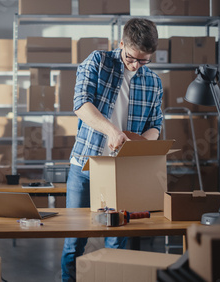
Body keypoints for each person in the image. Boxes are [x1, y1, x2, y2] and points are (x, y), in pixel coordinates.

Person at [61, 18, 163, 282]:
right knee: (74, 242)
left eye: (144, 61)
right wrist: (112, 132)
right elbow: (81, 104)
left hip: (122, 173)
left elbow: (156, 125)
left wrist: (142, 144)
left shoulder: (153, 82)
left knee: (117, 243)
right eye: (132, 58)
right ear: (121, 44)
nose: (136, 65)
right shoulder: (98, 62)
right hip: (86, 166)